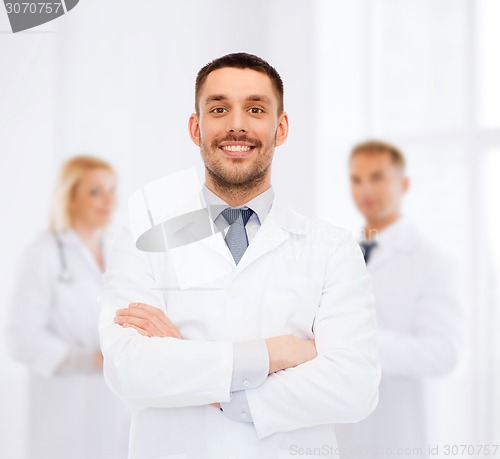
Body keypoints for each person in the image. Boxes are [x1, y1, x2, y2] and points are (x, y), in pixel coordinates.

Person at [98, 52, 381, 459]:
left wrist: (204, 378)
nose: (237, 125)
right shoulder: (145, 236)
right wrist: (278, 354)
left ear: (280, 128)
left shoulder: (331, 247)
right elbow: (128, 370)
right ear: (196, 128)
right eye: (218, 108)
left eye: (255, 108)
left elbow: (355, 386)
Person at [335, 141, 464, 459]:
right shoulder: (340, 253)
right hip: (340, 420)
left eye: (377, 177)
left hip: (399, 423)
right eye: (356, 179)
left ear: (403, 184)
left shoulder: (432, 260)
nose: (366, 189)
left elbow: (443, 353)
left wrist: (358, 345)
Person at [6, 155, 130, 459]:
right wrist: (86, 360)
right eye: (95, 192)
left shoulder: (118, 251)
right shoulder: (42, 253)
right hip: (63, 401)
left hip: (113, 398)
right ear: (69, 197)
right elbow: (19, 339)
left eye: (112, 189)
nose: (109, 200)